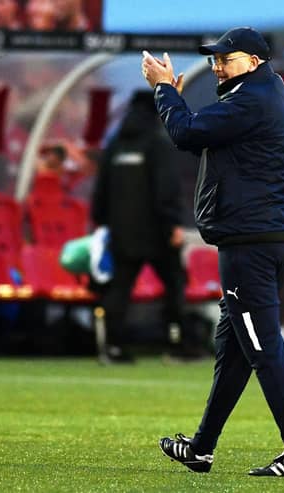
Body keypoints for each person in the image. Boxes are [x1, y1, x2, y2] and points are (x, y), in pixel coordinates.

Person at [141, 26, 284, 477]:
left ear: (254, 62)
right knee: (236, 350)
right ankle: (201, 448)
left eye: (227, 58)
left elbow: (185, 133)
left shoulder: (251, 100)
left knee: (262, 349)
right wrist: (175, 99)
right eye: (215, 59)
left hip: (250, 244)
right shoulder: (262, 91)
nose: (218, 65)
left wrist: (163, 89)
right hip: (262, 239)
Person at [91, 90, 187, 364]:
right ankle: (177, 344)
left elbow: (101, 191)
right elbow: (165, 189)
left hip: (122, 232)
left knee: (119, 289)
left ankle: (112, 347)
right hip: (157, 231)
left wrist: (102, 222)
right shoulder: (157, 143)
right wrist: (173, 224)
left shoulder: (115, 146)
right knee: (174, 284)